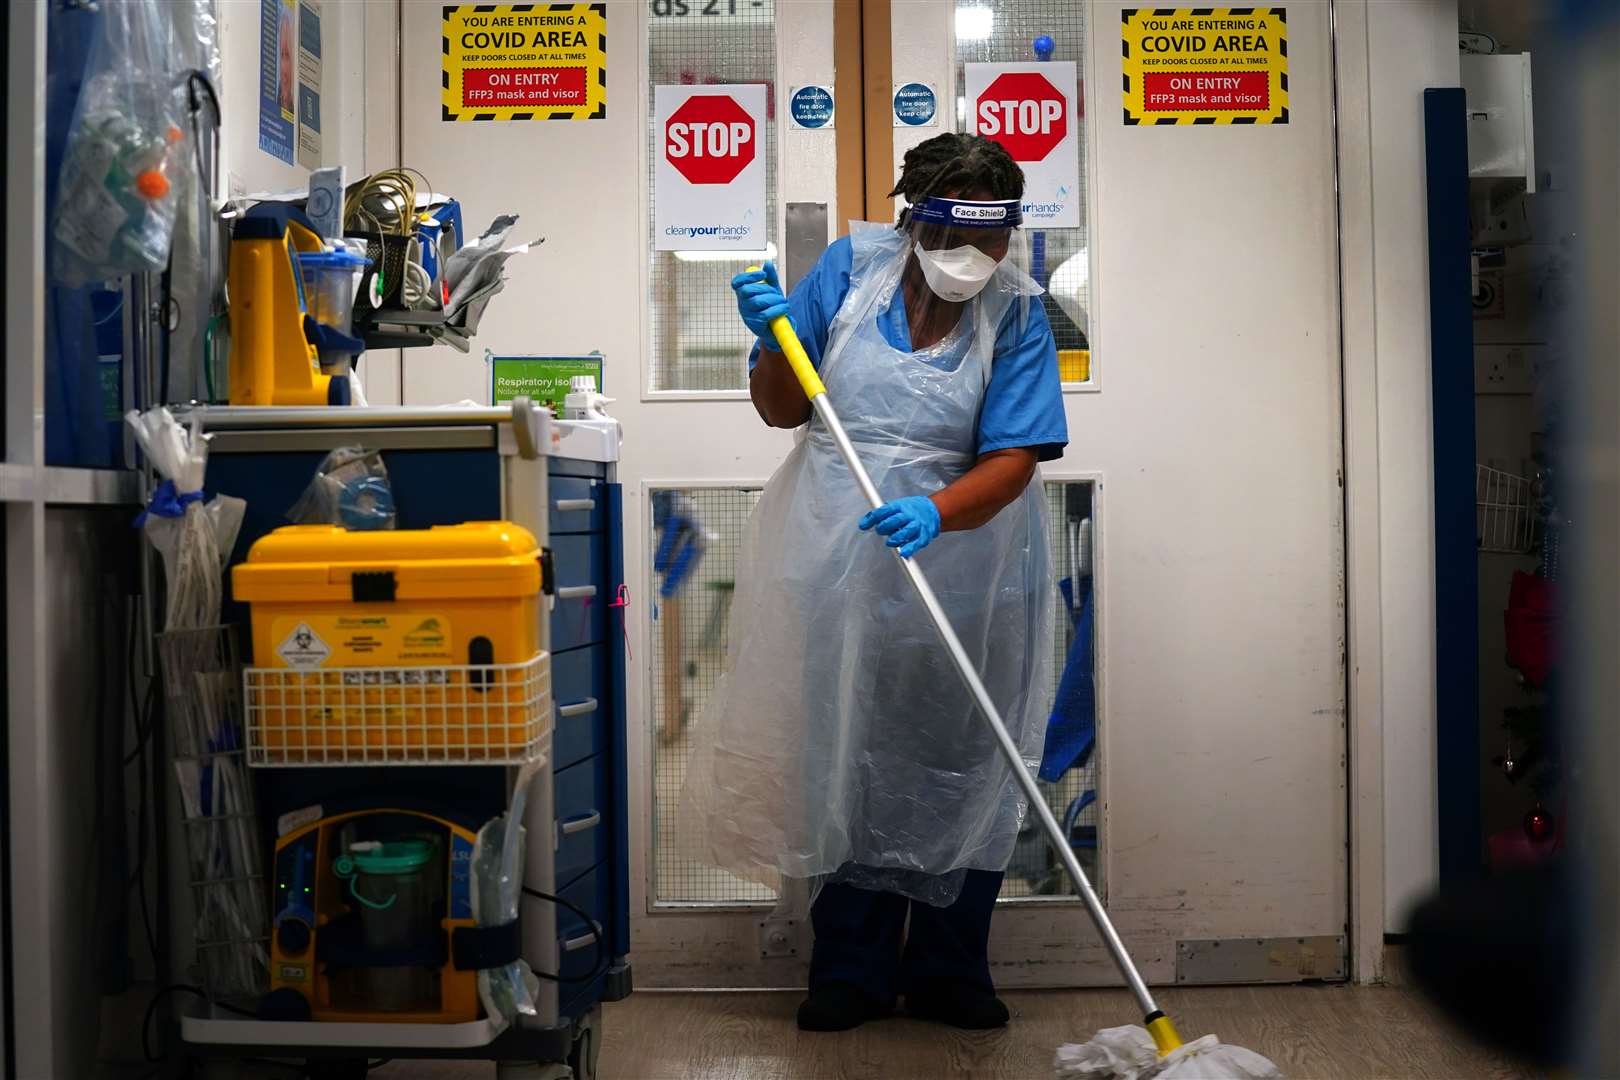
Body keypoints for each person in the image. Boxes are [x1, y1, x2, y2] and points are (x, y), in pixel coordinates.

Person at [680, 133, 1067, 1034]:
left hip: (972, 553)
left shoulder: (1016, 311)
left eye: (996, 236)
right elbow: (784, 406)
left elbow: (1015, 456)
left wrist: (937, 512)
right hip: (838, 535)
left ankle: (950, 968)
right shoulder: (851, 271)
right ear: (914, 219)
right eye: (956, 232)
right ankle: (849, 967)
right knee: (844, 746)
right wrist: (774, 338)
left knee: (963, 752)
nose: (978, 256)